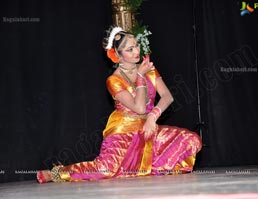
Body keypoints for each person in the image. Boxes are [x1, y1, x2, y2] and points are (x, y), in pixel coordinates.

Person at [36, 26, 202, 183]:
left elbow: (167, 97)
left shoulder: (149, 69)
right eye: (130, 49)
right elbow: (139, 108)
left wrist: (153, 116)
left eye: (136, 46)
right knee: (104, 170)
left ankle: (142, 167)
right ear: (118, 54)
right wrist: (140, 77)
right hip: (124, 132)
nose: (136, 51)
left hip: (148, 128)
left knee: (191, 140)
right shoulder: (114, 80)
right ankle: (56, 173)